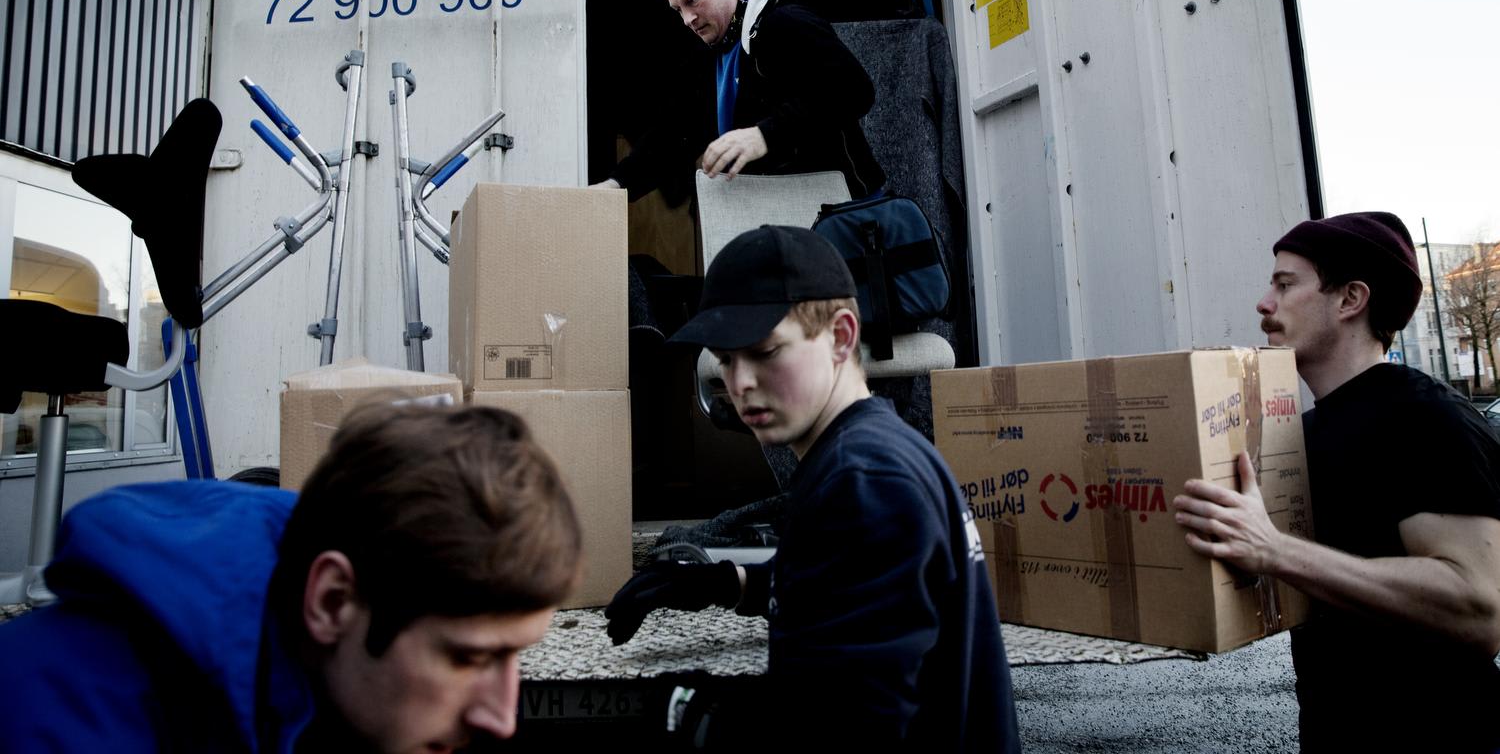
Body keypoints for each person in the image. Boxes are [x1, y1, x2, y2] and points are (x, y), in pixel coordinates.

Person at [604, 225, 1019, 750]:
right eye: (726, 359)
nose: (739, 383)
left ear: (841, 337)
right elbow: (850, 581)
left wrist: (694, 712)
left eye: (764, 351)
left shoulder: (865, 481)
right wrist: (729, 583)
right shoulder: (872, 451)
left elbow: (849, 729)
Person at [0, 403, 582, 752]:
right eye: (469, 658)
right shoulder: (44, 721)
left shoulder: (349, 697)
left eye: (518, 654)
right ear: (331, 601)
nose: (501, 716)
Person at [1172, 211, 1500, 752]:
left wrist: (1274, 550)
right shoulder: (1299, 434)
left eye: (1285, 285)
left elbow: (1478, 608)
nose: (1264, 304)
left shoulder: (1428, 419)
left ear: (1350, 299)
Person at [593, 0, 885, 200]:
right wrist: (617, 185)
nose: (687, 19)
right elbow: (674, 133)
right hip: (774, 214)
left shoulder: (786, 23)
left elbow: (854, 90)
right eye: (678, 9)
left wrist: (764, 135)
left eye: (692, 0)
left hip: (842, 210)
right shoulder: (711, 55)